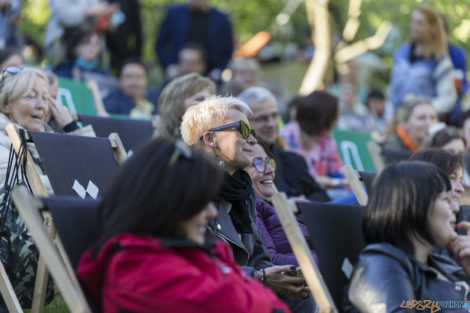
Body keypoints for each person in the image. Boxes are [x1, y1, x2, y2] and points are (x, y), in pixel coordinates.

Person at [77, 138, 290, 313]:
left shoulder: (194, 251)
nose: (212, 212)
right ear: (169, 201)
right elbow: (229, 305)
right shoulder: (137, 267)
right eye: (201, 202)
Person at [181, 96, 316, 313]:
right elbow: (191, 265)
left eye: (251, 132)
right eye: (242, 130)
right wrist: (258, 277)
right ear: (210, 139)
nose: (252, 140)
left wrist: (282, 276)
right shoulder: (186, 189)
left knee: (302, 297)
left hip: (238, 288)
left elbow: (258, 257)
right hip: (204, 296)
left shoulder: (243, 190)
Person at [348, 161, 470, 312]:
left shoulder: (439, 265)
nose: (456, 208)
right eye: (445, 200)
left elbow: (462, 306)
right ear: (415, 207)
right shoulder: (380, 265)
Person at [238, 86, 330, 202]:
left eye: (274, 116)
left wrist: (304, 204)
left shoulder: (294, 160)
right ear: (244, 123)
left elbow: (323, 197)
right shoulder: (241, 167)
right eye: (262, 118)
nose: (271, 123)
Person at [245, 143, 317, 266]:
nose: (270, 170)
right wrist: (325, 259)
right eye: (258, 163)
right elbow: (271, 261)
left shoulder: (276, 204)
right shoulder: (254, 207)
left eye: (269, 162)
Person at [389, 6, 457, 115]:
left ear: (432, 28)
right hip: (395, 119)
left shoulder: (439, 60)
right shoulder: (402, 52)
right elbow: (393, 89)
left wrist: (422, 110)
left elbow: (448, 99)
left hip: (420, 125)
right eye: (413, 21)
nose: (414, 27)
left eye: (420, 23)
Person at [280, 90, 346, 193]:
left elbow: (340, 175)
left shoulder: (327, 140)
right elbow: (290, 180)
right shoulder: (287, 137)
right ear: (321, 118)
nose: (336, 124)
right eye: (334, 119)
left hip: (323, 197)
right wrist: (316, 182)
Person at [155, 0, 234, 81]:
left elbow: (228, 50)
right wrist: (168, 66)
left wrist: (218, 71)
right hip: (178, 74)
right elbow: (160, 45)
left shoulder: (221, 18)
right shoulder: (174, 14)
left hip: (210, 76)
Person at [54, 28, 117, 98]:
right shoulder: (63, 71)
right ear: (74, 48)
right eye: (87, 43)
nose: (92, 47)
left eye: (96, 44)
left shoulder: (105, 74)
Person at [154, 72, 215, 138]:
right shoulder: (163, 144)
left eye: (210, 100)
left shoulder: (213, 136)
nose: (209, 105)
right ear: (176, 104)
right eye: (200, 100)